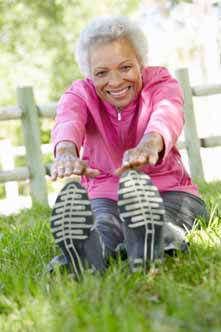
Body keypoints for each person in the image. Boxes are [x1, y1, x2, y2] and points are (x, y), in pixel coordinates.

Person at [49, 16, 208, 279]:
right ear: (89, 74)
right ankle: (83, 254)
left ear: (141, 63)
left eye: (125, 67)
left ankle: (152, 239)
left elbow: (168, 115)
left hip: (169, 190)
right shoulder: (80, 94)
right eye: (102, 73)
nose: (115, 81)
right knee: (103, 226)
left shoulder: (161, 83)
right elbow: (68, 120)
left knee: (163, 217)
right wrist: (65, 152)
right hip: (105, 193)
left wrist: (150, 143)